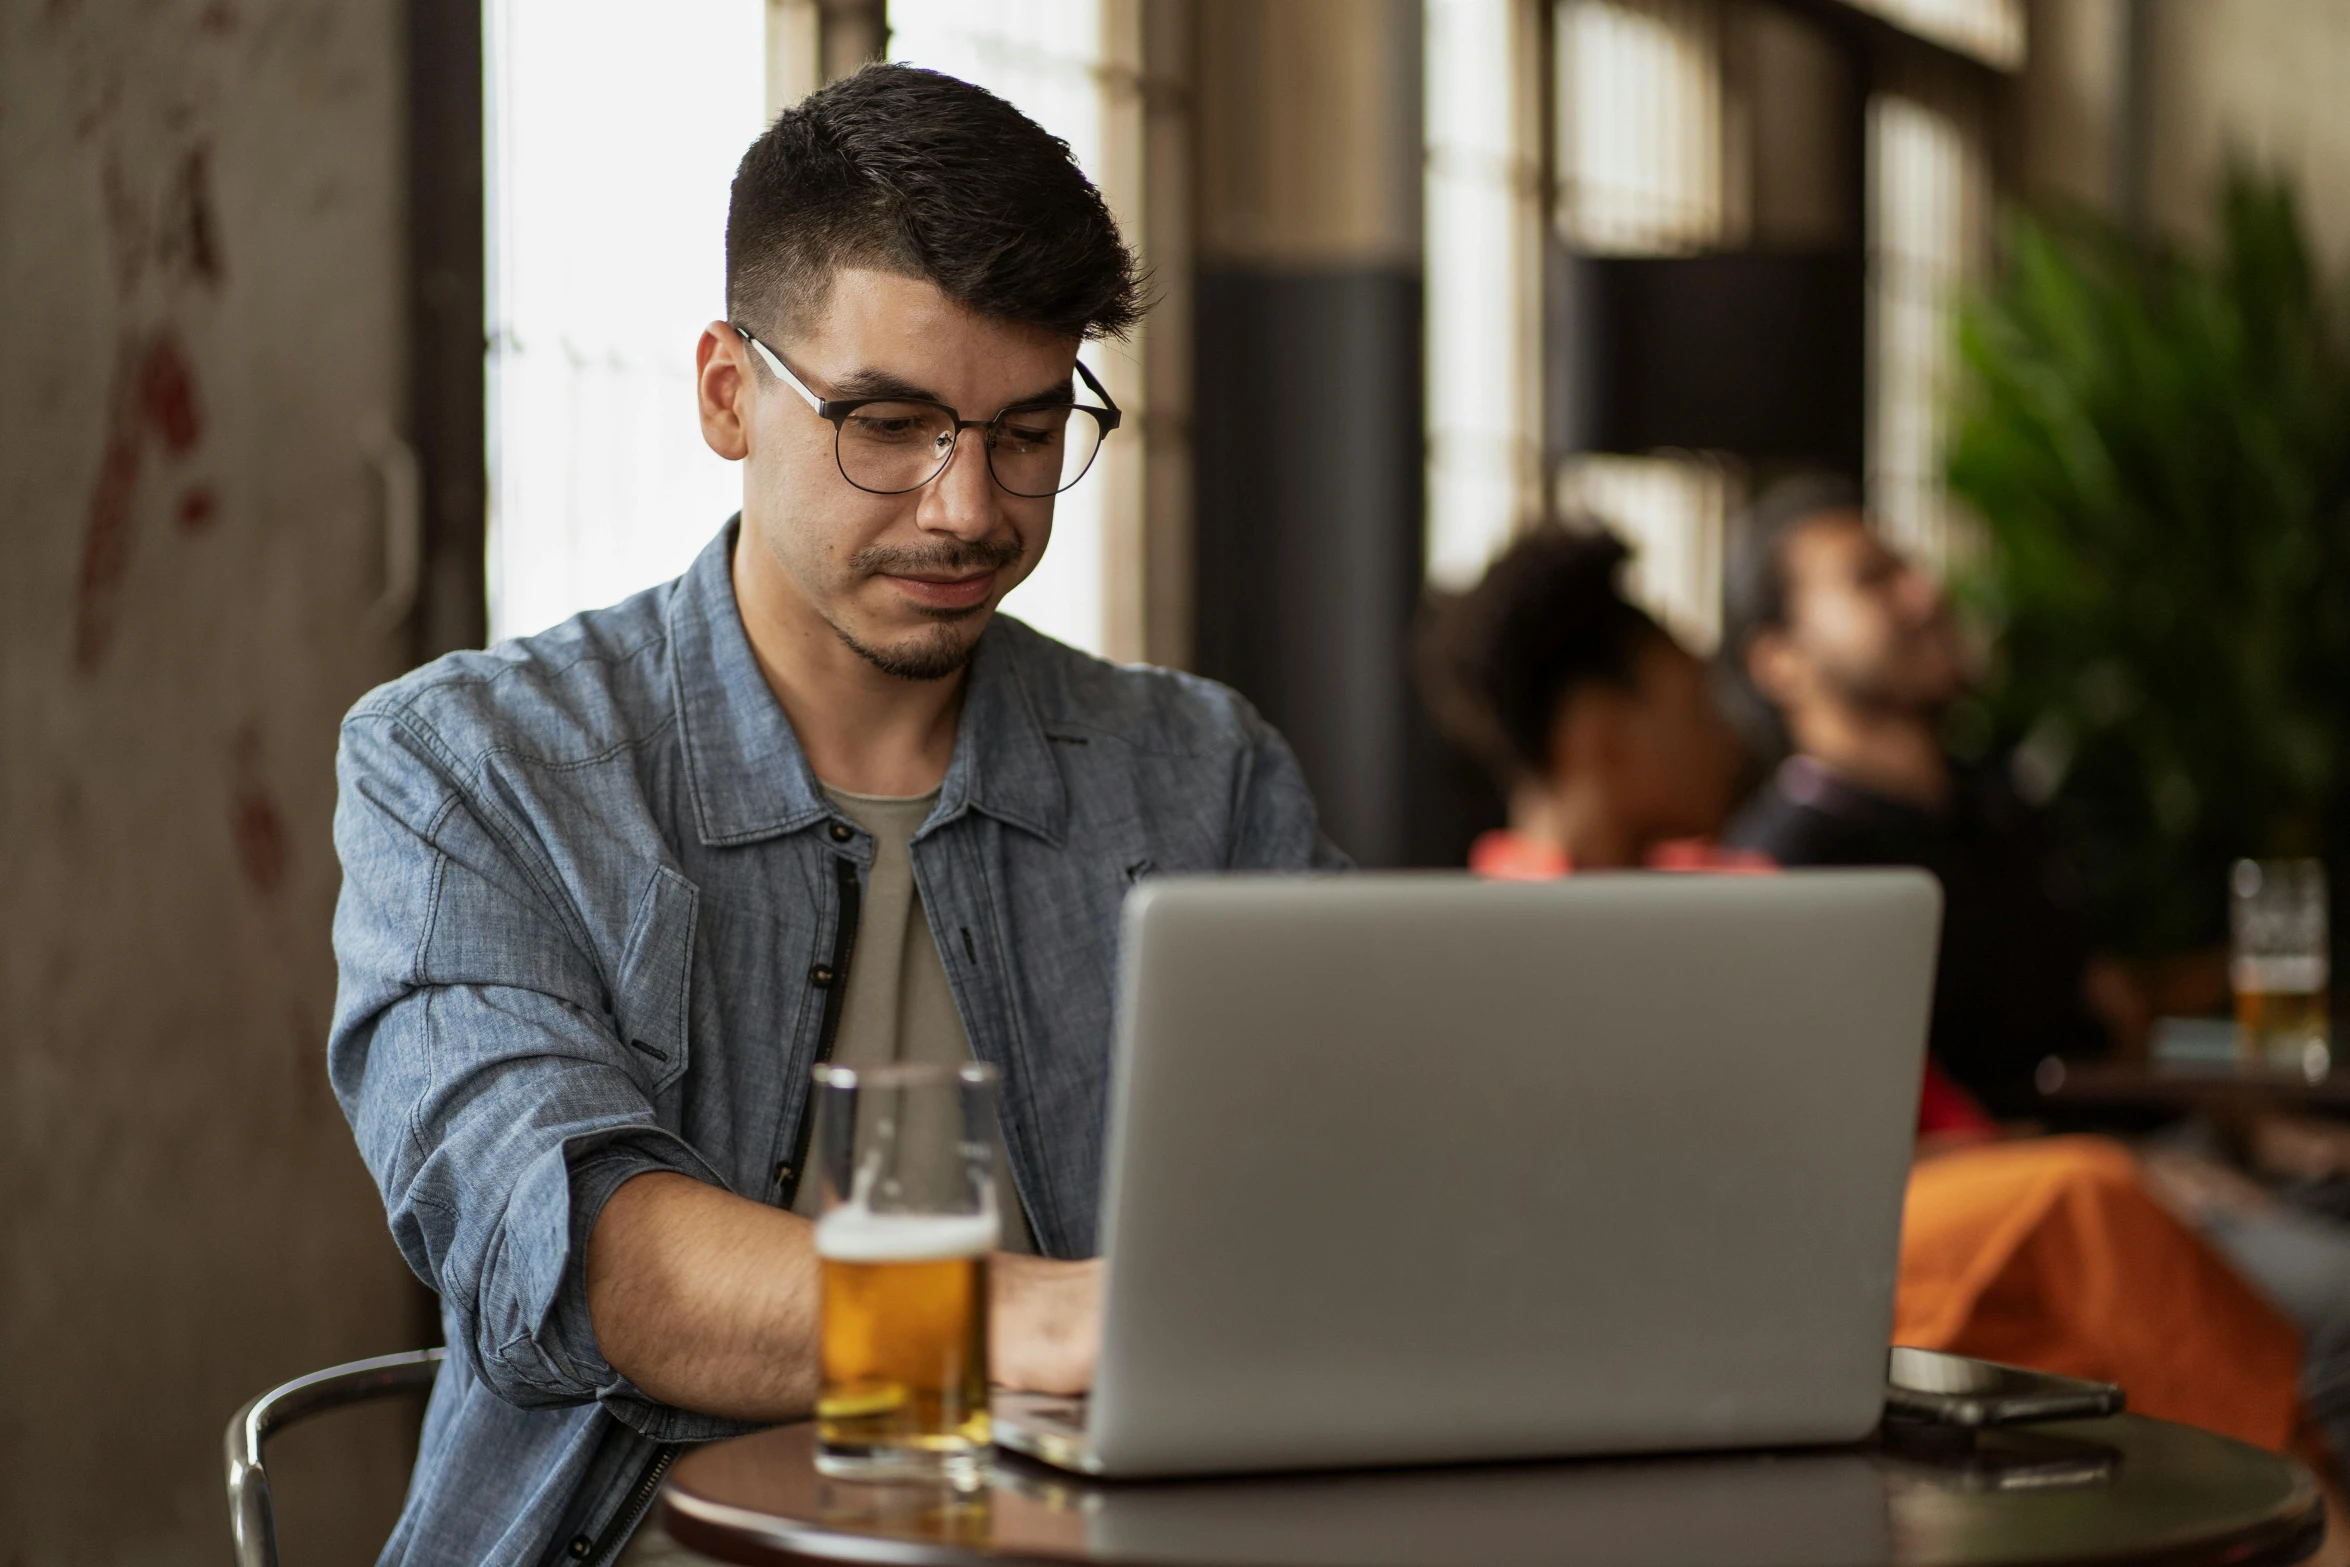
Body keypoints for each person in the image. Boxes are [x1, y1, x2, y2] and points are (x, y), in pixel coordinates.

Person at [329, 66, 1339, 1566]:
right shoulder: (473, 763)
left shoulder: (1201, 772)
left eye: (1022, 429)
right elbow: (583, 1256)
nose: (966, 507)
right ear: (729, 394)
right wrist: (1035, 1315)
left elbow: (1354, 1201)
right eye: (888, 421)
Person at [1419, 521, 2315, 1457]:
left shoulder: (1753, 896)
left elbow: (1924, 1113)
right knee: (2090, 1205)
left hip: (1910, 1236)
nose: (1730, 738)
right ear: (1602, 738)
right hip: (1747, 1283)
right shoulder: (1505, 951)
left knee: (2093, 1248)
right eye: (1696, 706)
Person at [1715, 478, 2350, 1470]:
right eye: (1872, 579)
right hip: (2063, 1203)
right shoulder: (1787, 862)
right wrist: (2138, 1175)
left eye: (1910, 566)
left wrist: (2250, 1123)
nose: (1923, 592)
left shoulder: (1998, 810)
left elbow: (2101, 1024)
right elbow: (1862, 1140)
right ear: (1779, 659)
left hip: (2176, 1155)